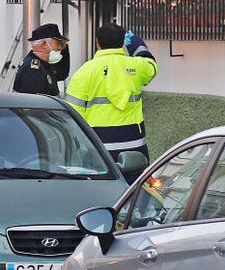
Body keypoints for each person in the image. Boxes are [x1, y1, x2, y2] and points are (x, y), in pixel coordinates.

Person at [64, 22, 157, 165]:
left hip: (98, 147)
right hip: (134, 144)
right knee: (134, 184)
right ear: (122, 43)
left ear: (97, 43)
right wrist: (137, 46)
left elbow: (72, 114)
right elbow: (152, 66)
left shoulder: (84, 72)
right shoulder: (137, 66)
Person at [11, 22, 68, 96]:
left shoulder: (44, 66)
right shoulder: (33, 71)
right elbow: (34, 105)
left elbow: (63, 73)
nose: (60, 48)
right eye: (58, 44)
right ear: (44, 44)